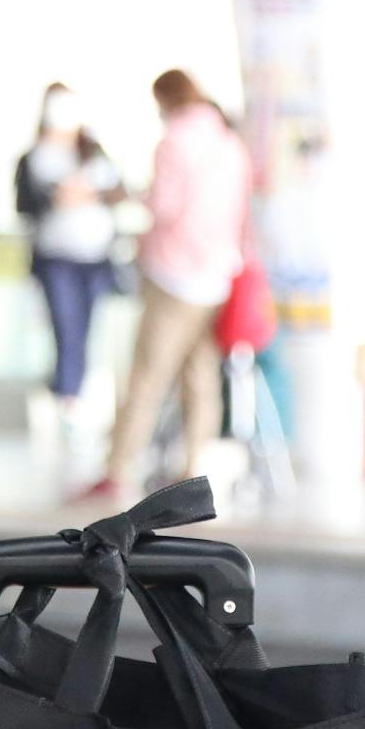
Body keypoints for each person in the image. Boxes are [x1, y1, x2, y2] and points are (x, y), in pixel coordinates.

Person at [92, 69, 253, 499]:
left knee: (147, 376)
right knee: (200, 376)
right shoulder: (230, 143)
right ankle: (193, 471)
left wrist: (127, 197)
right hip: (218, 274)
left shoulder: (174, 142)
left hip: (175, 274)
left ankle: (118, 468)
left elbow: (162, 205)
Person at [14, 82, 124, 418]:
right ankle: (67, 397)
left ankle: (75, 395)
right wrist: (56, 196)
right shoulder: (33, 157)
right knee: (65, 325)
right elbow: (25, 205)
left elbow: (118, 189)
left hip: (94, 256)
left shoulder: (93, 150)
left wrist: (90, 194)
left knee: (86, 329)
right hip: (56, 257)